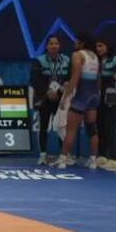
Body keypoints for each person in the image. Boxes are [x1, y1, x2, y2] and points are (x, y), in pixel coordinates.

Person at [55, 33, 101, 170]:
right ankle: (93, 161)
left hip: (81, 97)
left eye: (76, 41)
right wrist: (97, 95)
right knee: (92, 129)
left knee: (71, 130)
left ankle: (63, 160)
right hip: (93, 96)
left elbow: (75, 78)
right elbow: (98, 79)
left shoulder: (77, 55)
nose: (74, 43)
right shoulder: (95, 56)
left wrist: (66, 97)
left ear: (82, 43)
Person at [29, 35, 71, 164]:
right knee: (44, 126)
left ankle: (64, 155)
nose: (54, 46)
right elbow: (34, 80)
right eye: (51, 44)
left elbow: (69, 77)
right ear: (46, 46)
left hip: (60, 98)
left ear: (60, 46)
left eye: (56, 43)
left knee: (61, 126)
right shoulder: (39, 60)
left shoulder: (66, 60)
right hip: (44, 98)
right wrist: (47, 91)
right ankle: (43, 155)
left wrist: (62, 89)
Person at [95, 38, 116, 172]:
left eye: (101, 46)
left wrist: (115, 77)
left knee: (110, 126)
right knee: (100, 125)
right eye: (96, 46)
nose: (98, 48)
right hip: (99, 96)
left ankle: (114, 159)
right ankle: (102, 156)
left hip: (113, 95)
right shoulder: (95, 61)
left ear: (107, 46)